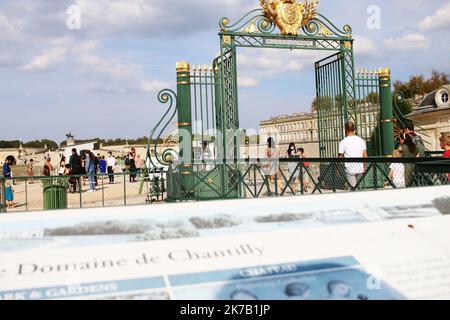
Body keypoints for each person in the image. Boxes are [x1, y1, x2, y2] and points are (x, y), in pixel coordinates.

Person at [338, 122, 368, 189]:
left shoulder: (343, 141)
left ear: (345, 129)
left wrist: (338, 168)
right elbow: (365, 155)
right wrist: (365, 166)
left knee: (352, 189)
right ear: (354, 129)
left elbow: (340, 156)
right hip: (360, 168)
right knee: (360, 188)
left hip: (350, 169)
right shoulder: (361, 140)